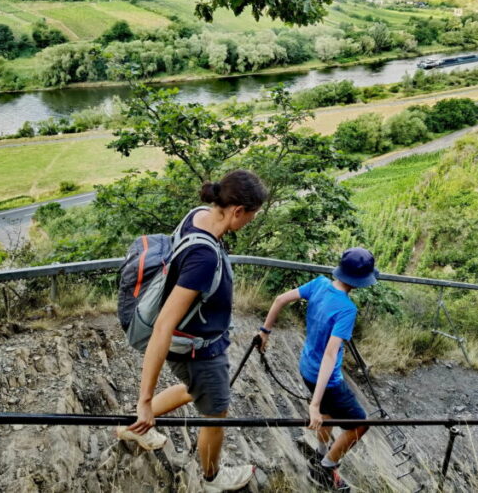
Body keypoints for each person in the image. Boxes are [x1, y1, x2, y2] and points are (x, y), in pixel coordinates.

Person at [121, 169, 268, 493]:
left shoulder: (199, 215)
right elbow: (163, 326)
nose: (249, 222)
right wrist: (144, 399)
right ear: (237, 211)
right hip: (198, 350)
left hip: (194, 344)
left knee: (195, 389)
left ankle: (134, 426)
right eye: (251, 217)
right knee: (216, 413)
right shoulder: (203, 258)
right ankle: (212, 478)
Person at [258, 247, 379, 491]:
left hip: (307, 367)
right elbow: (331, 353)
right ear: (360, 281)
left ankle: (321, 451)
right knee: (361, 424)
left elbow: (280, 299)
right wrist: (313, 404)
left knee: (328, 415)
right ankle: (326, 467)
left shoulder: (319, 283)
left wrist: (265, 332)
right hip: (328, 378)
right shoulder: (347, 309)